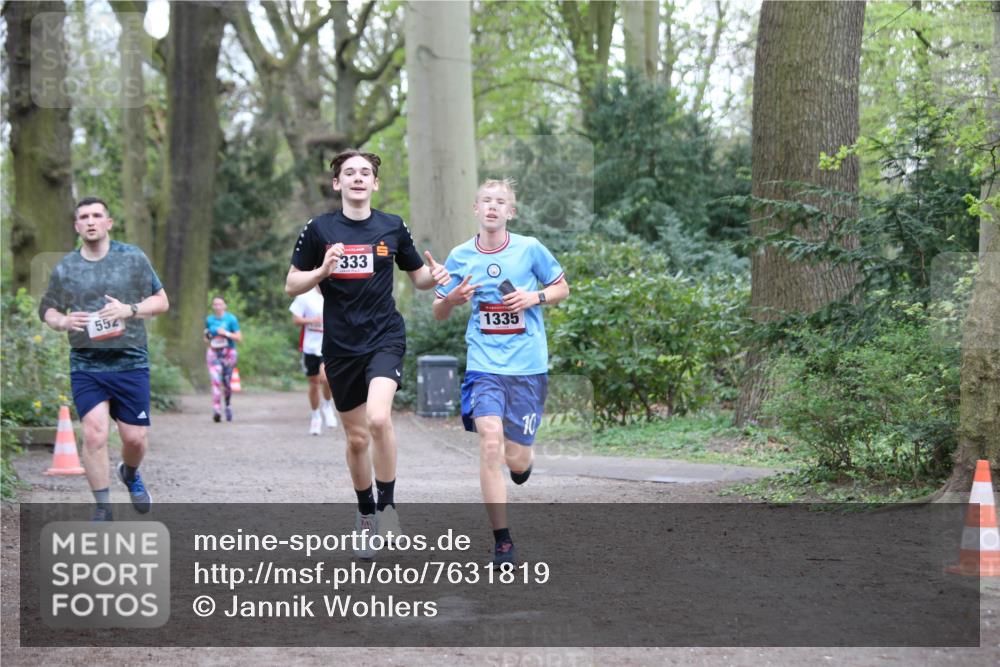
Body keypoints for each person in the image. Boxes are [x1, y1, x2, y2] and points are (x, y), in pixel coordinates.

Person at [285, 149, 449, 558]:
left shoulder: (392, 227)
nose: (358, 178)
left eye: (365, 173)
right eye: (349, 173)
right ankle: (365, 515)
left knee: (378, 419)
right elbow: (291, 284)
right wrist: (321, 273)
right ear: (337, 183)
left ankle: (388, 506)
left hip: (384, 337)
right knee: (357, 439)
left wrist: (438, 274)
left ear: (375, 183)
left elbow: (420, 278)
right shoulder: (319, 229)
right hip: (341, 346)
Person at [433, 178, 569, 567]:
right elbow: (438, 311)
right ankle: (503, 541)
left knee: (517, 459)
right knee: (490, 441)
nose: (492, 207)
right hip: (484, 365)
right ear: (475, 209)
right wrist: (453, 299)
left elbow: (562, 288)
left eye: (501, 202)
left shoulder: (530, 249)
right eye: (486, 201)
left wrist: (534, 297)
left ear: (511, 212)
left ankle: (522, 464)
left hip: (527, 366)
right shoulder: (460, 255)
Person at [39, 196, 169, 521]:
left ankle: (130, 472)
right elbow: (48, 309)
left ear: (109, 223)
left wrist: (131, 309)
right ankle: (103, 506)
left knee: (134, 438)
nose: (91, 221)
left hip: (130, 361)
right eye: (84, 216)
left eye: (98, 215)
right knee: (94, 434)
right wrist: (63, 321)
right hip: (87, 364)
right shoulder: (66, 267)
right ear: (77, 225)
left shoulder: (132, 258)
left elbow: (162, 301)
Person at [289, 285, 338, 434]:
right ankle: (316, 416)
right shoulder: (305, 296)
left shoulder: (336, 293)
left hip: (329, 346)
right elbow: (296, 319)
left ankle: (328, 406)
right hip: (310, 347)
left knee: (327, 378)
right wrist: (312, 320)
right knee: (314, 383)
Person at [204, 296, 242, 423]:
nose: (217, 306)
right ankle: (216, 410)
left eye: (220, 304)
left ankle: (228, 406)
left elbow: (239, 338)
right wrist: (210, 336)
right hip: (214, 353)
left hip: (229, 353)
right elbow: (206, 338)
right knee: (215, 381)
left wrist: (225, 333)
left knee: (226, 383)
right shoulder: (209, 320)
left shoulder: (231, 319)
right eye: (215, 304)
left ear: (225, 306)